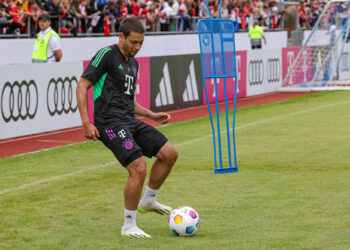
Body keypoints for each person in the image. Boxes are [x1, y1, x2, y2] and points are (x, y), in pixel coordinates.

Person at [76, 17, 178, 238]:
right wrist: (87, 123)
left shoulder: (133, 63)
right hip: (109, 122)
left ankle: (148, 200)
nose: (137, 47)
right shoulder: (106, 55)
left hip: (128, 119)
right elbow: (82, 86)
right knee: (138, 167)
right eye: (133, 42)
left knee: (169, 153)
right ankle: (129, 225)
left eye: (141, 43)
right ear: (121, 36)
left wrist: (152, 115)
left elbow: (128, 101)